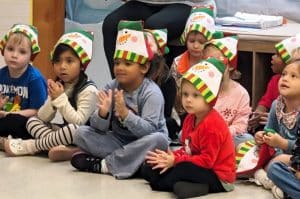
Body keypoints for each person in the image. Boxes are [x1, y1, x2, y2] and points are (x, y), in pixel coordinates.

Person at [70, 20, 169, 179]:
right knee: (80, 133)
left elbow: (150, 131)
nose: (120, 68)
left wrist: (125, 115)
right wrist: (102, 114)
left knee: (160, 140)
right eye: (117, 63)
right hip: (119, 141)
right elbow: (98, 128)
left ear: (144, 68)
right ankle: (133, 162)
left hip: (144, 142)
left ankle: (105, 164)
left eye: (128, 63)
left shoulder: (152, 93)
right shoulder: (112, 86)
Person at [141, 58, 236, 198]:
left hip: (218, 176)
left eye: (195, 95)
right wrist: (172, 156)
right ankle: (178, 183)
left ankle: (163, 183)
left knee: (182, 169)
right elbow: (187, 149)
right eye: (185, 94)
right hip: (197, 166)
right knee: (149, 166)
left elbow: (207, 161)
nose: (188, 100)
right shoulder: (190, 118)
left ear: (210, 98)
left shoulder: (212, 126)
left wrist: (175, 162)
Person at [4, 30, 98, 160]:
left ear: (82, 65)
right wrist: (52, 100)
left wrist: (60, 98)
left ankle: (31, 146)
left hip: (86, 135)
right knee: (33, 121)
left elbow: (79, 122)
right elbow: (43, 117)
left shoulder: (89, 90)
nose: (62, 66)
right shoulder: (61, 85)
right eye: (57, 61)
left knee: (73, 129)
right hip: (66, 135)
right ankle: (59, 147)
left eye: (69, 61)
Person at [102, 0, 217, 77]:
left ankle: (148, 94)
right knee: (111, 24)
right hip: (144, 3)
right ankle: (121, 90)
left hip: (187, 3)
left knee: (154, 26)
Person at [253, 59, 300, 191]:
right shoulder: (276, 104)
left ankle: (278, 183)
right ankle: (278, 181)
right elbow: (270, 129)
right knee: (246, 148)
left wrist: (283, 143)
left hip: (295, 158)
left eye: (293, 76)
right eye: (284, 74)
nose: (285, 79)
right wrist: (262, 136)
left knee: (277, 164)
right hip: (277, 153)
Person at [170, 6, 222, 121]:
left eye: (201, 42)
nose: (196, 46)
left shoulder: (213, 64)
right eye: (191, 41)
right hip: (182, 112)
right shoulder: (178, 62)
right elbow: (172, 92)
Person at [0, 24, 47, 150]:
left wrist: (9, 114)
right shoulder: (1, 74)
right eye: (10, 49)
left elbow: (38, 111)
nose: (14, 55)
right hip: (5, 117)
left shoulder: (34, 78)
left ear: (31, 56)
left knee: (13, 121)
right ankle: (5, 140)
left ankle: (9, 141)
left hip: (27, 121)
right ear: (3, 49)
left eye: (22, 52)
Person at [202, 36, 253, 147]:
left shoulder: (241, 93)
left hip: (227, 137)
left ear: (230, 66)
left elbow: (241, 126)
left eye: (218, 62)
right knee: (183, 134)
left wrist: (221, 133)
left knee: (248, 139)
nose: (213, 67)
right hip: (204, 135)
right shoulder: (201, 88)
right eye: (208, 62)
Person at [248, 34, 300, 133]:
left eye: (278, 55)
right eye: (284, 74)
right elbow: (265, 101)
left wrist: (277, 121)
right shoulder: (275, 80)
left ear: (289, 63)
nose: (272, 57)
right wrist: (258, 114)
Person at [144, 28, 179, 141]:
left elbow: (165, 114)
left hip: (157, 122)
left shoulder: (167, 80)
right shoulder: (132, 72)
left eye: (148, 45)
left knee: (169, 124)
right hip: (134, 119)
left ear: (160, 51)